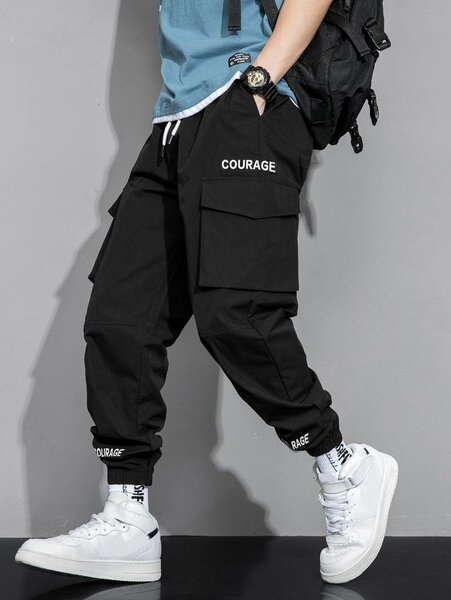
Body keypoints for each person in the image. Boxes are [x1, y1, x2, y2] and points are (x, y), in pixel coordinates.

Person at [15, 0, 398, 585]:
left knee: (236, 313)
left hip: (248, 102)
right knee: (121, 319)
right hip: (175, 119)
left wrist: (260, 80)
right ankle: (128, 515)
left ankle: (344, 464)